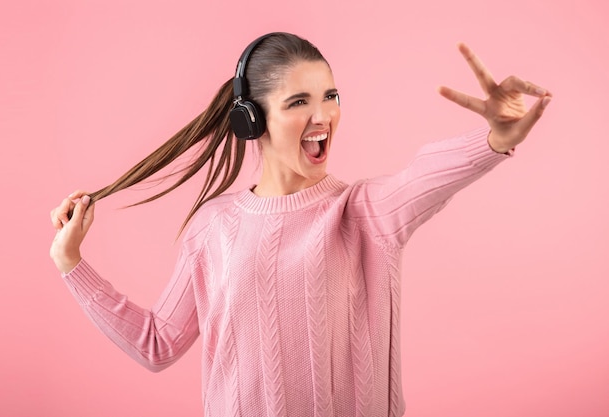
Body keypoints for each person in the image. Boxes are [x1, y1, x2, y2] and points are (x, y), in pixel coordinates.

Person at [49, 32, 551, 417]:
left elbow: (424, 177)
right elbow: (156, 344)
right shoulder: (214, 227)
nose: (323, 115)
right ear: (252, 120)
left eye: (330, 96)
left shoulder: (365, 213)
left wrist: (493, 139)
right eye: (298, 102)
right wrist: (71, 263)